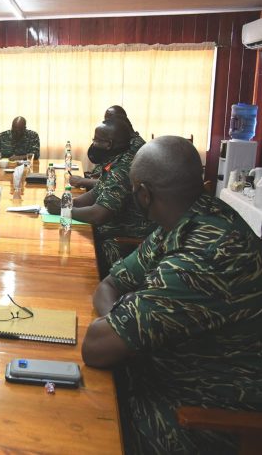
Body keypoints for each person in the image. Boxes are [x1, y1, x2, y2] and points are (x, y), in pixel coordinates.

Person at [81, 136, 262, 454]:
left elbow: (96, 347)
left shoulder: (209, 253)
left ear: (143, 193)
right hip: (161, 378)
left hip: (196, 418)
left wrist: (121, 331)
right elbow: (109, 284)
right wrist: (123, 325)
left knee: (73, 423)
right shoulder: (187, 220)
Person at [44, 118, 154, 276]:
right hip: (107, 233)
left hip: (122, 244)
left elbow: (100, 214)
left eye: (96, 140)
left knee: (69, 258)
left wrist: (64, 209)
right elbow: (94, 194)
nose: (93, 144)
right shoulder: (116, 162)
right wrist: (66, 202)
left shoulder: (123, 169)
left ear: (108, 144)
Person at [70, 106, 146, 191]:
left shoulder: (134, 145)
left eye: (109, 121)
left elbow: (117, 180)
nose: (106, 124)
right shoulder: (116, 138)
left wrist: (83, 181)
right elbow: (105, 164)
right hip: (99, 184)